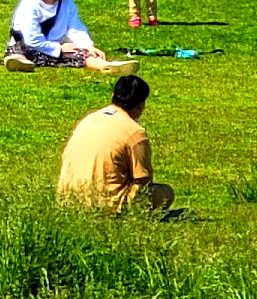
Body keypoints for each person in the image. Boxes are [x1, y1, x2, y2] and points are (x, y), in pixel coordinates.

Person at [58, 73, 173, 215]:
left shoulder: (90, 119)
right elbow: (143, 181)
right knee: (166, 192)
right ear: (141, 104)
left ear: (113, 95)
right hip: (107, 205)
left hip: (71, 198)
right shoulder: (135, 133)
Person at [3, 0, 128, 71]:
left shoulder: (67, 2)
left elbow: (75, 27)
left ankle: (105, 66)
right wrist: (58, 48)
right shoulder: (30, 2)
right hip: (28, 45)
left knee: (81, 53)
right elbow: (31, 38)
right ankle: (19, 62)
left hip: (54, 48)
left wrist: (88, 46)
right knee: (17, 51)